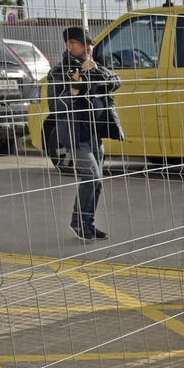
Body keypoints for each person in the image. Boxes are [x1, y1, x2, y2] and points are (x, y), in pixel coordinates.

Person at [47, 25, 123, 241]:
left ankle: (84, 222)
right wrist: (74, 87)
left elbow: (116, 82)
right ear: (71, 45)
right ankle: (80, 223)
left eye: (91, 43)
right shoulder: (58, 73)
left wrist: (96, 72)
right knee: (92, 176)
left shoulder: (92, 65)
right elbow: (56, 106)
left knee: (95, 181)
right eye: (85, 43)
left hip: (93, 134)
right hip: (75, 135)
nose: (90, 47)